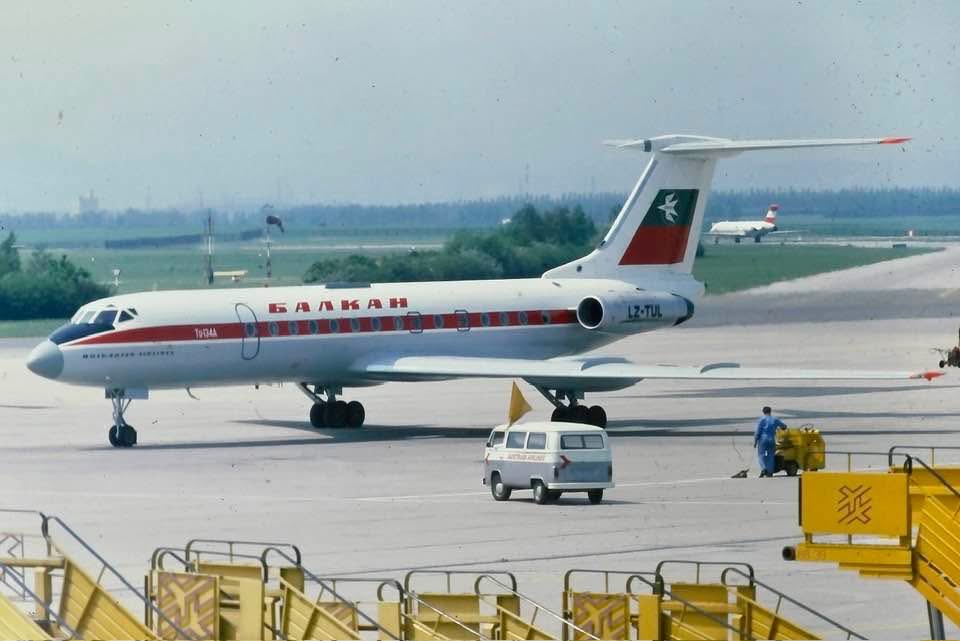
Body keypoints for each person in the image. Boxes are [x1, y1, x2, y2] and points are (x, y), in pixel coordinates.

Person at [754, 406, 786, 477]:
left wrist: (755, 441)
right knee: (771, 455)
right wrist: (783, 427)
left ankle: (763, 469)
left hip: (763, 439)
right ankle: (770, 472)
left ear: (763, 412)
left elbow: (757, 431)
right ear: (770, 411)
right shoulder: (775, 419)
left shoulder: (761, 420)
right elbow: (784, 426)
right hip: (771, 439)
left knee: (761, 455)